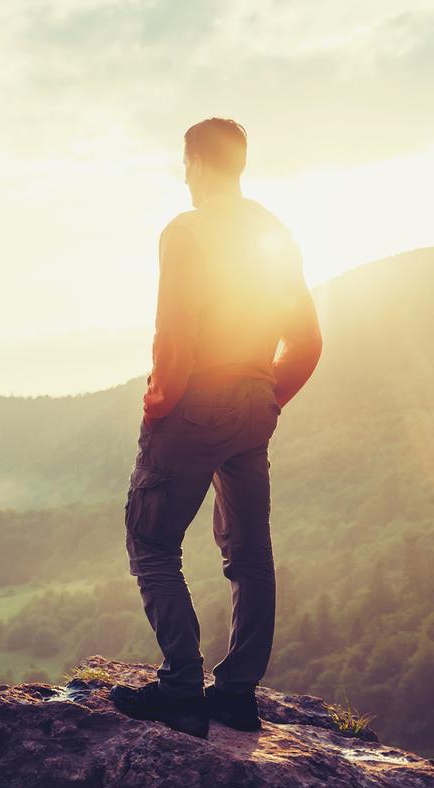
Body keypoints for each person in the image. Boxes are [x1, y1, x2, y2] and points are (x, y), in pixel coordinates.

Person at [109, 118, 323, 738]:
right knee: (251, 553)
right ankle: (236, 695)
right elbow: (308, 338)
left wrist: (158, 403)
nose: (184, 176)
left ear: (196, 163)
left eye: (184, 164)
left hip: (195, 402)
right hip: (256, 401)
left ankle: (180, 687)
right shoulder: (274, 232)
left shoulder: (187, 230)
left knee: (151, 542)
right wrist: (268, 397)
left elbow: (175, 335)